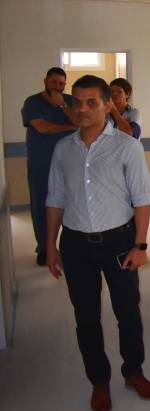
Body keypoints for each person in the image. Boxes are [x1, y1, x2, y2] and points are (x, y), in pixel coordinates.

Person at [45, 75, 150, 411]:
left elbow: (142, 198)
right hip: (76, 244)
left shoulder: (127, 146)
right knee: (86, 317)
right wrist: (50, 245)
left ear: (108, 104)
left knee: (128, 312)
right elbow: (55, 198)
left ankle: (133, 372)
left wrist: (140, 245)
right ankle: (99, 380)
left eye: (91, 102)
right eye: (76, 102)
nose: (82, 109)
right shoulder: (63, 149)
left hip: (119, 241)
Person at [21, 67, 76, 266]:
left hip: (69, 163)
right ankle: (44, 248)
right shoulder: (32, 102)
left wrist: (63, 106)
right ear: (45, 81)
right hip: (41, 163)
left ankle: (70, 247)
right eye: (53, 82)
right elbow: (43, 127)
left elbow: (80, 122)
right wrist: (70, 127)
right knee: (41, 206)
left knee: (72, 204)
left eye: (62, 83)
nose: (57, 86)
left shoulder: (69, 101)